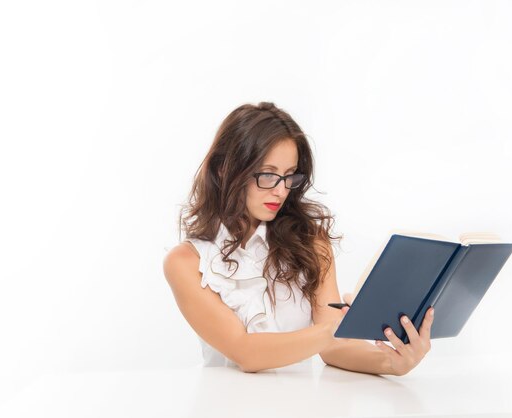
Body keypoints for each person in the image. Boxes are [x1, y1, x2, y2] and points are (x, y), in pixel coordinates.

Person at [163, 102, 434, 374]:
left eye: (289, 176)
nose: (281, 191)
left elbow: (334, 348)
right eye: (268, 175)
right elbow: (245, 352)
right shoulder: (185, 263)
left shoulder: (311, 243)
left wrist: (393, 362)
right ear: (224, 169)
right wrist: (332, 329)